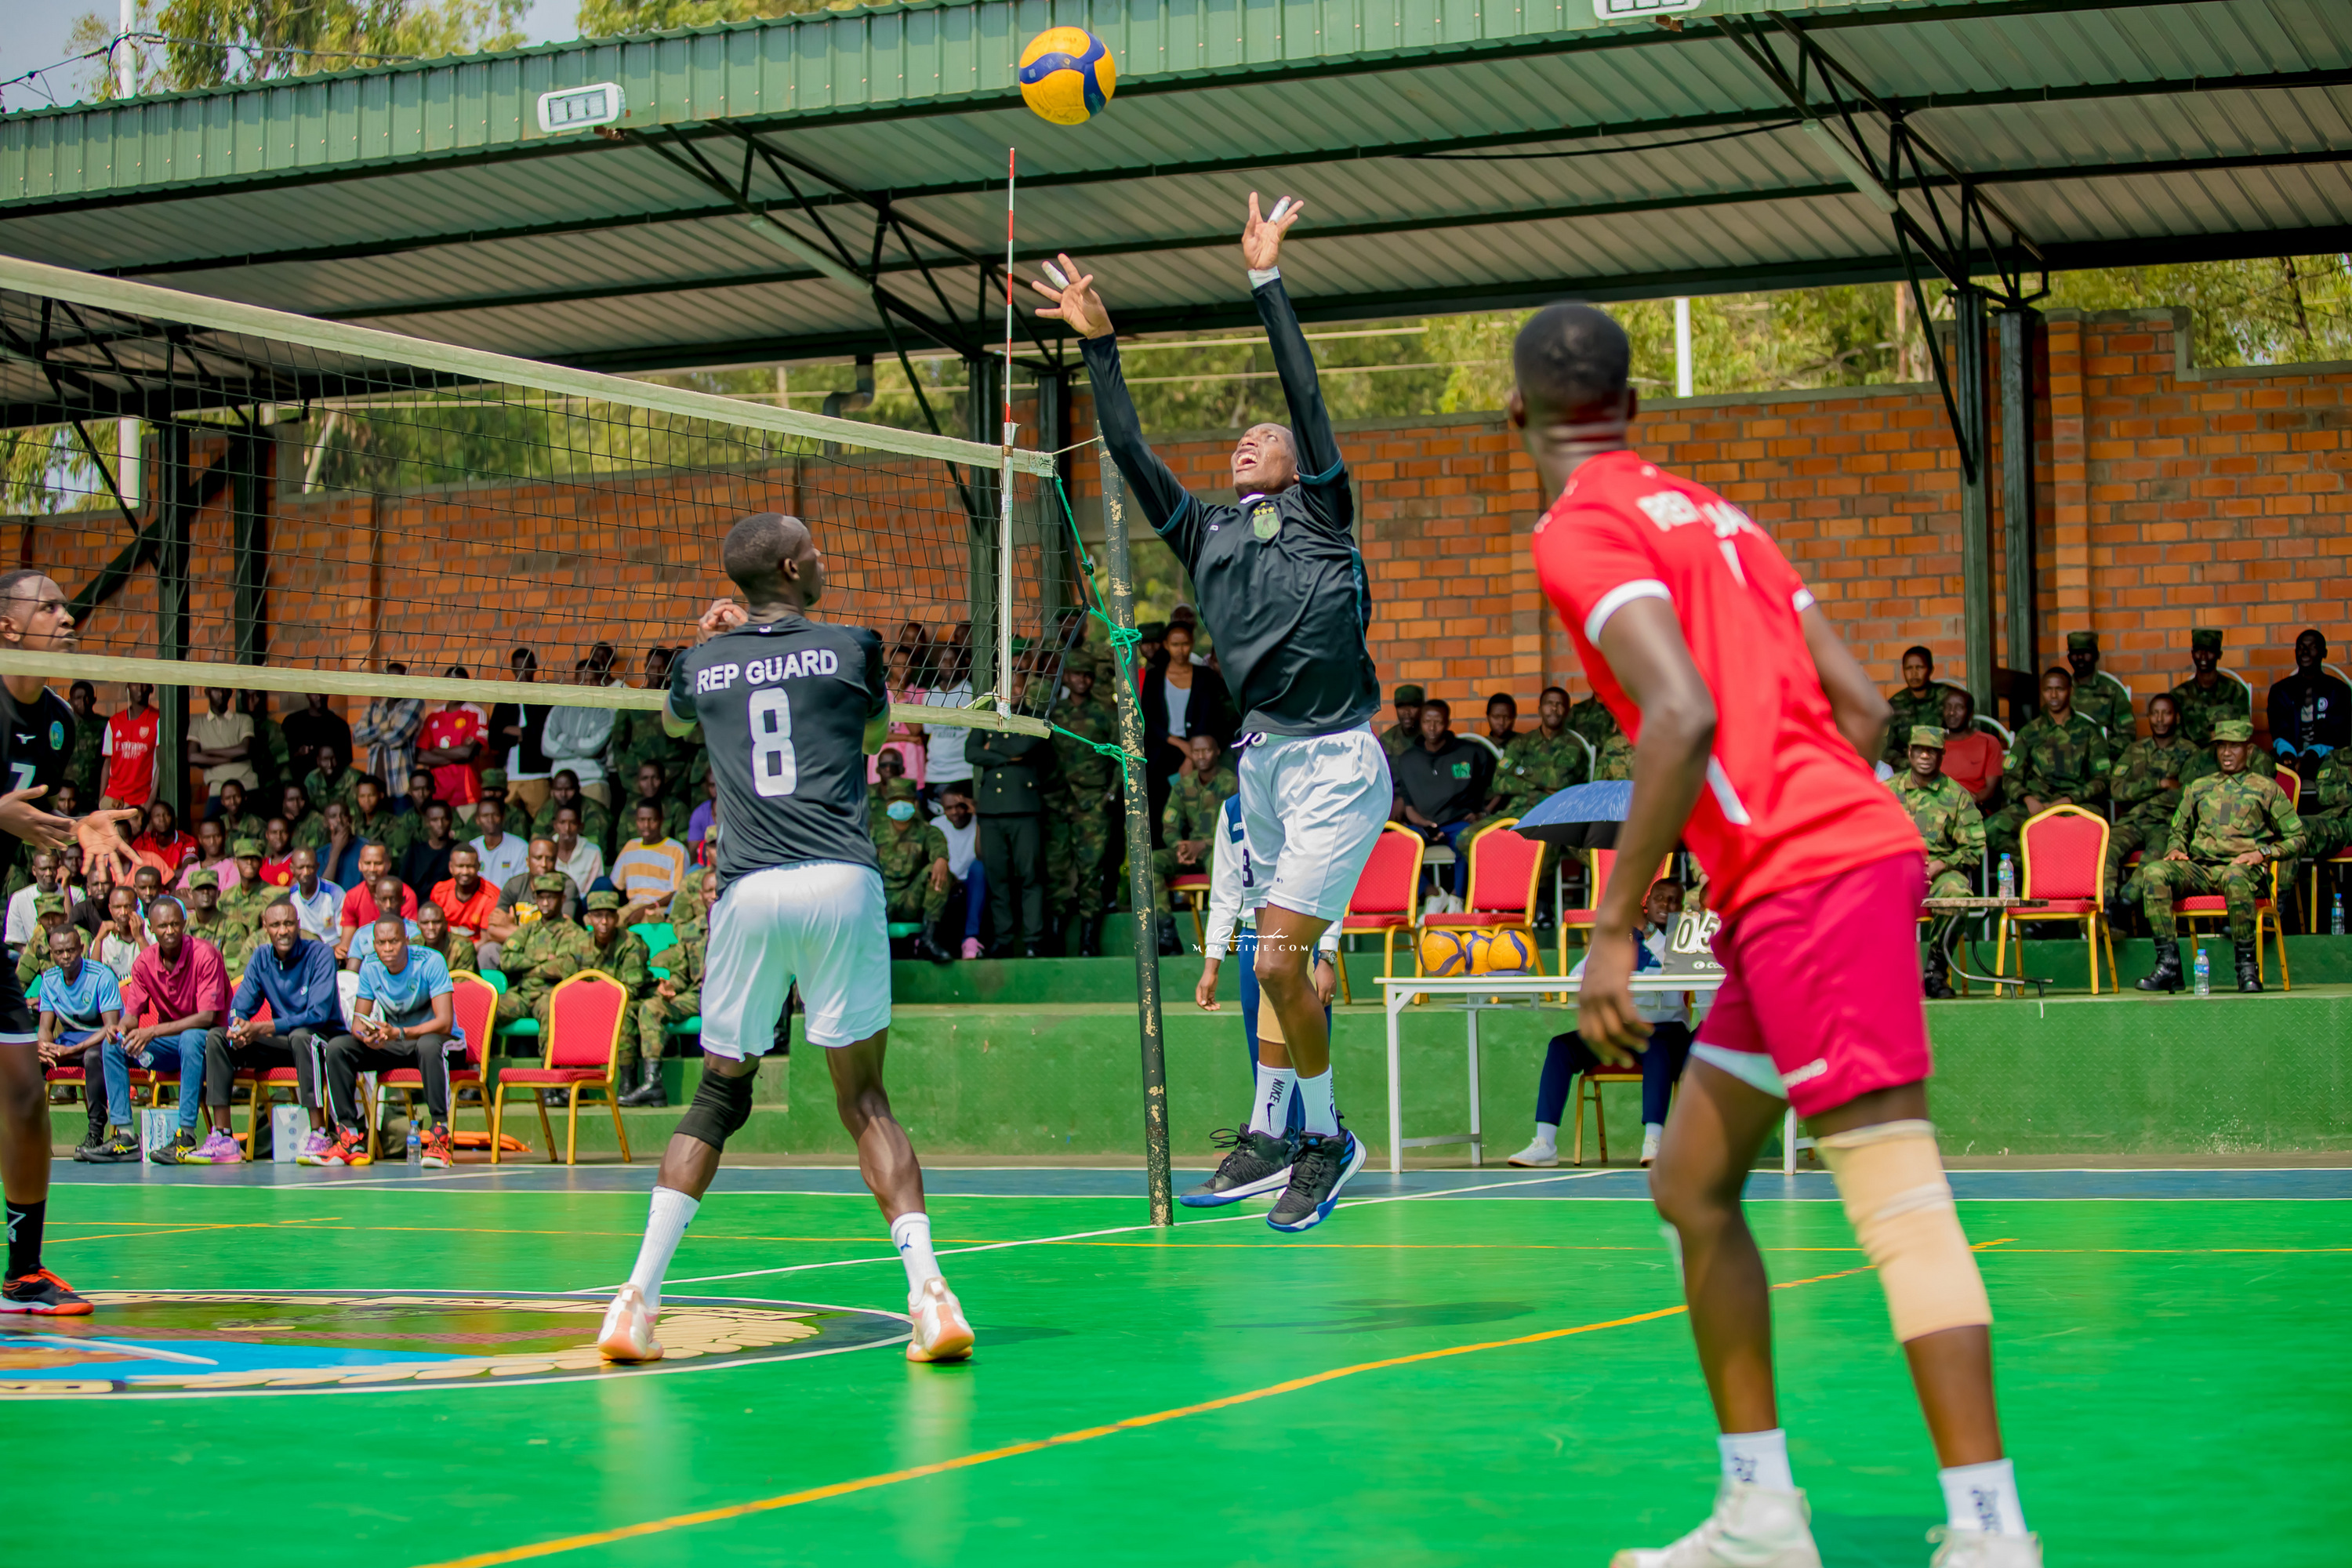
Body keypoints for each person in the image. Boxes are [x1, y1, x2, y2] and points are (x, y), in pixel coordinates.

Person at [1515, 302, 2038, 1566]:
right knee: (1691, 1181)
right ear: (1634, 408)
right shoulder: (1724, 519)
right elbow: (1860, 707)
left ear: (1518, 414)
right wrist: (1782, 825)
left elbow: (1680, 713)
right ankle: (1759, 1513)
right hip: (1811, 873)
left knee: (1898, 1202)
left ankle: (1992, 1532)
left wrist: (1613, 926)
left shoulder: (1580, 529)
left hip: (1813, 884)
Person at [1038, 194, 1387, 1231]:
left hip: (1337, 760)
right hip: (1264, 763)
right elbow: (1130, 447)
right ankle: (1273, 1129)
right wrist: (1100, 344)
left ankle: (1327, 1136)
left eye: (1265, 438)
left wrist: (1265, 279)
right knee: (1269, 964)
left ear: (1299, 465)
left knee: (1278, 959)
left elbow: (1303, 392)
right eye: (1241, 436)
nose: (1250, 439)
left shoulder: (1323, 511)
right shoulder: (1205, 534)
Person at [598, 510, 974, 1368]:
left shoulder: (700, 664)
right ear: (796, 568)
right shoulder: (853, 647)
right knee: (865, 1102)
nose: (825, 558)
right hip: (840, 878)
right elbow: (873, 733)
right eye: (816, 551)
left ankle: (635, 1300)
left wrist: (720, 643)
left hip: (749, 888)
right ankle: (930, 1294)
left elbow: (677, 724)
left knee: (717, 1097)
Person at [1184, 790, 1340, 1204]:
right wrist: (1212, 961)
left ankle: (1315, 1156)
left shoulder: (1304, 797)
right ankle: (1271, 1154)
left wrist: (1326, 954)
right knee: (1265, 1055)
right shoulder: (1232, 810)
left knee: (1305, 1053)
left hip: (1301, 933)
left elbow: (1329, 880)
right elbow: (1224, 891)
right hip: (1254, 937)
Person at [1508, 877, 1694, 1169]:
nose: (1666, 905)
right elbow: (1580, 974)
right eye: (1660, 898)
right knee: (1561, 1047)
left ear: (1681, 908)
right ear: (1645, 904)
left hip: (1666, 1034)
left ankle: (1654, 1142)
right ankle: (1545, 1144)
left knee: (1656, 1046)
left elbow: (1679, 967)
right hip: (1620, 1031)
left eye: (1674, 901)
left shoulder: (1684, 938)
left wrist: (1646, 930)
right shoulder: (1618, 935)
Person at [2135, 718, 2305, 994]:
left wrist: (2262, 853)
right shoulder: (2198, 787)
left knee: (2235, 876)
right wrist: (2175, 849)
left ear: (2249, 750)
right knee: (2155, 872)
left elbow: (2298, 838)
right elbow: (2178, 830)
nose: (2226, 753)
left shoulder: (2266, 788)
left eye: (2234, 747)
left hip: (2244, 872)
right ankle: (2168, 965)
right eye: (2221, 746)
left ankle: (2247, 968)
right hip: (2201, 871)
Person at [200, 898, 359, 1163]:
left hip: (323, 1041)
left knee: (302, 1037)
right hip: (282, 1042)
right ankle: (223, 1136)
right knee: (217, 1037)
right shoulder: (261, 956)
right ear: (265, 927)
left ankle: (320, 1133)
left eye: (288, 924)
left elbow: (317, 1015)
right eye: (276, 925)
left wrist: (262, 1027)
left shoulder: (320, 954)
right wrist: (238, 1027)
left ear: (298, 924)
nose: (283, 931)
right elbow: (241, 1005)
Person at [329, 916, 463, 1167]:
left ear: (406, 941)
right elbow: (358, 1024)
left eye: (394, 941)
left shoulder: (431, 961)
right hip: (395, 1042)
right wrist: (369, 1037)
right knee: (338, 1048)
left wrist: (400, 1032)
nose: (388, 948)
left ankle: (439, 1136)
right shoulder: (370, 966)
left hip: (440, 1043)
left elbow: (444, 1022)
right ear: (374, 945)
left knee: (428, 1045)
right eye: (381, 943)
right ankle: (349, 1136)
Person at [111, 898, 234, 1166]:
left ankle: (186, 1135)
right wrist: (120, 1029)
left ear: (184, 923)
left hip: (210, 1044)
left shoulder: (205, 954)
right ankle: (125, 1136)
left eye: (175, 924)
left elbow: (206, 1017)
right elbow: (132, 1015)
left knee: (191, 1038)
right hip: (169, 1046)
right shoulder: (144, 963)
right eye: (163, 926)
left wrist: (152, 1031)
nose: (170, 931)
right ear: (151, 928)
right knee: (113, 1047)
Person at [1889, 727, 1984, 999]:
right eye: (1920, 750)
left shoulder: (1957, 796)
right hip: (1894, 871)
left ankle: (1936, 970)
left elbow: (1974, 847)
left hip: (1940, 871)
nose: (1925, 756)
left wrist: (1943, 864)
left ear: (1943, 755)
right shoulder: (1886, 792)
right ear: (1909, 752)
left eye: (1932, 751)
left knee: (1957, 895)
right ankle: (1887, 974)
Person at [1983, 667, 2111, 868]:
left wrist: (2069, 799)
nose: (2053, 695)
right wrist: (2027, 799)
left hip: (2075, 806)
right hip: (2036, 806)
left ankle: (2061, 873)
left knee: (2091, 829)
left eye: (2059, 689)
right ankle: (2038, 868)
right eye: (2048, 690)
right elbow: (2010, 776)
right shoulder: (2030, 732)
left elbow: (2102, 779)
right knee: (1992, 829)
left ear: (2070, 691)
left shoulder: (2089, 732)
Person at [2103, 693, 2212, 907]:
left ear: (2177, 717)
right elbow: (2117, 790)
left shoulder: (2191, 752)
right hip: (2133, 821)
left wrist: (2141, 793)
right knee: (2105, 849)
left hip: (2167, 824)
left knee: (2155, 857)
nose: (2160, 719)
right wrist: (2160, 784)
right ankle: (2106, 904)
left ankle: (2126, 902)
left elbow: (2191, 794)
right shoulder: (2135, 750)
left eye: (2166, 713)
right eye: (2155, 714)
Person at [968, 702, 1058, 959]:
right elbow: (971, 752)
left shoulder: (1035, 715)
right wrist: (1009, 758)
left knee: (1031, 875)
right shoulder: (985, 717)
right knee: (998, 878)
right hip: (991, 811)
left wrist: (992, 749)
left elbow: (1025, 746)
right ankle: (1003, 939)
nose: (1012, 687)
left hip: (1024, 807)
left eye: (1017, 682)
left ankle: (1033, 940)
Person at [1045, 661, 1120, 956]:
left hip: (1093, 805)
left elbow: (1121, 755)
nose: (1082, 680)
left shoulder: (1105, 712)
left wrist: (1110, 795)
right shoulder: (1054, 713)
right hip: (1058, 803)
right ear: (1066, 677)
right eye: (1076, 673)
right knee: (1057, 873)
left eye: (1087, 675)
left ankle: (1088, 943)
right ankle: (1055, 943)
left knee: (1091, 872)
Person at [626, 871, 716, 1108]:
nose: (714, 895)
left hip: (732, 997)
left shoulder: (741, 925)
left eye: (718, 889)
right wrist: (671, 986)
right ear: (700, 895)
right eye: (709, 891)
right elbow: (682, 973)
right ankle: (653, 1083)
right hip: (699, 996)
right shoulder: (690, 931)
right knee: (650, 1008)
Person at [41, 927, 129, 1163]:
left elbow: (111, 1028)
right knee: (32, 1060)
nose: (66, 956)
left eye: (71, 950)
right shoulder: (49, 980)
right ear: (52, 954)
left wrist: (72, 1050)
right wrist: (44, 1047)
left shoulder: (102, 976)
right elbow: (45, 1028)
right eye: (59, 952)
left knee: (93, 1058)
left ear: (82, 949)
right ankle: (32, 1136)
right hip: (69, 1041)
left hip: (100, 1041)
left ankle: (95, 1133)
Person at [1392, 698, 1494, 898]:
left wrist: (1484, 813)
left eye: (1438, 722)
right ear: (1420, 723)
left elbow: (1498, 785)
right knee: (1394, 843)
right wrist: (1426, 824)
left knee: (1470, 840)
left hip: (1459, 824)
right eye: (1427, 721)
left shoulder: (1471, 752)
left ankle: (1457, 899)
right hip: (1423, 826)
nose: (1432, 728)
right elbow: (1409, 805)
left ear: (1448, 723)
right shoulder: (1407, 759)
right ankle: (1433, 895)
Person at [1152, 732, 1237, 946]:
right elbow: (1170, 825)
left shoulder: (1232, 784)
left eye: (1206, 750)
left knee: (1218, 866)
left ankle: (1221, 934)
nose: (1201, 756)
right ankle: (1166, 931)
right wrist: (1179, 846)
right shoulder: (1184, 785)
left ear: (1217, 752)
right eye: (1196, 751)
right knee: (1152, 862)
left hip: (1218, 850)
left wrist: (1204, 845)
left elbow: (1239, 827)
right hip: (1189, 852)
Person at [492, 874, 590, 1029]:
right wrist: (541, 960)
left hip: (551, 994)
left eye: (551, 898)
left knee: (553, 1013)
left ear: (563, 899)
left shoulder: (573, 932)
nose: (545, 903)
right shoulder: (528, 929)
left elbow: (565, 967)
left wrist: (526, 967)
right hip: (522, 993)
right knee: (487, 1008)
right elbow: (506, 960)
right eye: (541, 898)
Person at [875, 779, 956, 964]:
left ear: (915, 803)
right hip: (881, 899)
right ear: (887, 804)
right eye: (895, 800)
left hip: (911, 899)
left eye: (905, 799)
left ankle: (929, 938)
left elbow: (940, 853)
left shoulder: (928, 831)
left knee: (937, 870)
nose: (900, 805)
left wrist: (941, 860)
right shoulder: (875, 831)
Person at [2267, 627, 2350, 782]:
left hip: (2327, 756)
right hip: (2287, 756)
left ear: (2324, 653)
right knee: (2260, 764)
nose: (2305, 652)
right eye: (2301, 648)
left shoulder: (2338, 690)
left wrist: (2311, 756)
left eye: (2312, 647)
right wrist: (2288, 755)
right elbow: (2279, 728)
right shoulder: (2280, 690)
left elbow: (2338, 733)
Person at [332, 843, 417, 967]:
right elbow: (347, 943)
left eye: (377, 863)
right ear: (360, 865)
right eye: (367, 863)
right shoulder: (352, 896)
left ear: (388, 865)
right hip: (364, 958)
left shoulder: (405, 894)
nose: (372, 869)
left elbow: (411, 935)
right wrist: (341, 951)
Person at [351, 668, 426, 807]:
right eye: (391, 679)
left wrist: (371, 737)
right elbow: (357, 738)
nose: (394, 684)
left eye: (398, 679)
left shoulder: (414, 703)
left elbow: (397, 737)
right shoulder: (374, 708)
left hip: (401, 787)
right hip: (375, 788)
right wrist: (384, 727)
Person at [2166, 627, 2250, 748]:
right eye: (2199, 651)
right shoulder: (2178, 695)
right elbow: (2174, 737)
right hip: (2189, 755)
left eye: (2210, 651)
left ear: (2219, 654)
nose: (2203, 656)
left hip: (2225, 752)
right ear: (2192, 653)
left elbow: (2244, 730)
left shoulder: (2236, 691)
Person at [1882, 646, 1958, 767]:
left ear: (1931, 669)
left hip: (1943, 766)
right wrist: (1913, 765)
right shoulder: (1895, 704)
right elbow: (1888, 751)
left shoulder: (1949, 698)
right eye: (1909, 668)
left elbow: (1963, 741)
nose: (1914, 674)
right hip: (1906, 769)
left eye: (1920, 667)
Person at [612, 800, 690, 913]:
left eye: (652, 820)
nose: (646, 826)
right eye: (641, 820)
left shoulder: (677, 850)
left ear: (661, 820)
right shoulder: (630, 847)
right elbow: (618, 885)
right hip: (633, 907)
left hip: (661, 908)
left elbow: (678, 892)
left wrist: (648, 908)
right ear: (636, 821)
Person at [187, 684, 256, 800]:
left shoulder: (244, 720)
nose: (221, 694)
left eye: (225, 689)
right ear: (207, 692)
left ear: (230, 693)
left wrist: (207, 752)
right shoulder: (197, 723)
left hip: (246, 786)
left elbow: (245, 749)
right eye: (216, 689)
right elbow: (192, 757)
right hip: (217, 789)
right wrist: (230, 759)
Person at [1937, 688, 2005, 808]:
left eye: (1959, 707)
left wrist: (1972, 799)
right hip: (1936, 806)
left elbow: (1990, 790)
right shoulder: (1934, 742)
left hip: (1973, 806)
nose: (1952, 712)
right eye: (1948, 707)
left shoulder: (1988, 742)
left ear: (1970, 713)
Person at [2063, 630, 2134, 744]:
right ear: (2069, 657)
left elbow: (2127, 735)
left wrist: (2101, 750)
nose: (2080, 658)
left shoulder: (2112, 690)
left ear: (2096, 655)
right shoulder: (2061, 689)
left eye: (2086, 653)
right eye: (2075, 653)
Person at [100, 682, 161, 811]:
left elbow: (161, 764)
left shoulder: (158, 720)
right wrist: (101, 798)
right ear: (127, 688)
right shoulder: (114, 722)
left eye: (144, 684)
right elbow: (107, 762)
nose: (139, 689)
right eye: (135, 684)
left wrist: (150, 801)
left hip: (140, 800)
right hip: (113, 797)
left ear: (151, 689)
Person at [281, 694, 352, 781]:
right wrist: (298, 753)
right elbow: (281, 759)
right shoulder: (292, 723)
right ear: (307, 694)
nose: (318, 696)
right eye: (314, 693)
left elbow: (346, 761)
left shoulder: (340, 726)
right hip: (299, 783)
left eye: (322, 692)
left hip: (331, 784)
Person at [397, 800, 459, 899]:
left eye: (444, 819)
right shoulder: (415, 852)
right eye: (435, 820)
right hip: (419, 905)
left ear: (451, 820)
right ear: (427, 822)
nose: (440, 824)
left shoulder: (458, 850)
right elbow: (404, 885)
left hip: (449, 905)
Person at [5, 849, 59, 960]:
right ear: (34, 870)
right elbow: (18, 942)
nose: (48, 873)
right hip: (33, 959)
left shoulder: (74, 893)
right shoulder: (19, 898)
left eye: (52, 868)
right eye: (43, 869)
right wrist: (36, 962)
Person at [282, 847, 342, 944]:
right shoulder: (290, 896)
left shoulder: (335, 893)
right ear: (292, 869)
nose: (306, 872)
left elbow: (343, 935)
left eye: (310, 867)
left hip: (330, 948)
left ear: (317, 867)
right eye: (301, 867)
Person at [546, 802, 604, 893]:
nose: (567, 828)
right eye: (562, 822)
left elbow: (597, 886)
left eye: (573, 823)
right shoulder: (546, 850)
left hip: (584, 900)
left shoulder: (593, 852)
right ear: (555, 826)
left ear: (581, 826)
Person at [414, 900, 480, 980]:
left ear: (445, 924)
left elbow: (465, 984)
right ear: (418, 926)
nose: (431, 927)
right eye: (425, 923)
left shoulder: (463, 946)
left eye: (436, 922)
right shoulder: (413, 946)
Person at [65, 679, 106, 803]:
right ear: (70, 701)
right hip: (67, 798)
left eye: (86, 698)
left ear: (94, 700)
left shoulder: (104, 726)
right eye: (78, 698)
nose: (83, 702)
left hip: (94, 796)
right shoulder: (62, 725)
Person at [1468, 691, 1519, 762]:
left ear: (1514, 717)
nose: (1501, 722)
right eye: (1496, 717)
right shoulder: (1480, 747)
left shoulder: (1526, 745)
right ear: (1488, 717)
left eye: (1507, 717)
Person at [1377, 683, 1424, 760]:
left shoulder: (1430, 737)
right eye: (1401, 706)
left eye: (1413, 706)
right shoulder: (1387, 740)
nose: (1407, 712)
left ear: (1422, 707)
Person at [212, 778, 263, 844]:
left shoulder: (257, 824)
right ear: (222, 802)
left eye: (237, 797)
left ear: (245, 797)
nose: (233, 802)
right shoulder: (217, 824)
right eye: (228, 798)